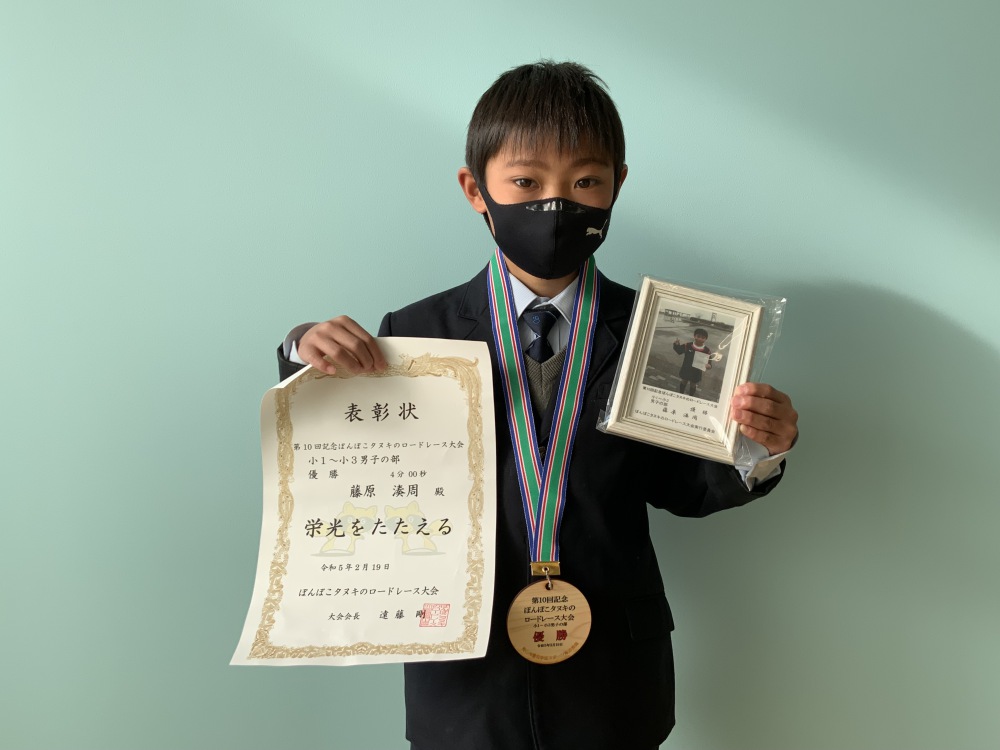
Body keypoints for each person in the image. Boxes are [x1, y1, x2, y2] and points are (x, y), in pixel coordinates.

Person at [277, 61, 798, 750]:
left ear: (616, 187)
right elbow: (349, 464)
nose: (557, 204)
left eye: (585, 182)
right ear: (476, 189)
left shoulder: (661, 334)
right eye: (526, 182)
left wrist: (757, 449)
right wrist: (302, 348)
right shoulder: (414, 333)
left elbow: (681, 486)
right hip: (465, 680)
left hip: (613, 676)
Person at [673, 327, 712, 396]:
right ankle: (681, 394)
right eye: (698, 336)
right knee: (684, 381)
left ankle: (691, 396)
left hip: (696, 371)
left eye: (703, 338)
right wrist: (676, 345)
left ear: (706, 339)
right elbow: (679, 351)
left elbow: (709, 361)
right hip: (686, 368)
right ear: (694, 336)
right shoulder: (688, 345)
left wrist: (709, 365)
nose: (700, 339)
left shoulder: (706, 350)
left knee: (693, 384)